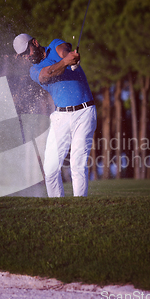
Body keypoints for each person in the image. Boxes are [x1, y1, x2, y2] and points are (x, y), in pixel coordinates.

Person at [13, 33, 97, 197]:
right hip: (61, 117)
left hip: (85, 112)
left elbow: (64, 49)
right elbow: (47, 75)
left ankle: (79, 210)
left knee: (77, 164)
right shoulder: (34, 70)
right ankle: (58, 208)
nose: (27, 57)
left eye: (27, 52)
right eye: (23, 55)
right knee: (50, 169)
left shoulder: (54, 45)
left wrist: (70, 57)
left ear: (35, 43)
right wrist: (66, 62)